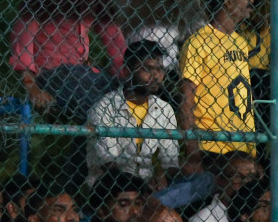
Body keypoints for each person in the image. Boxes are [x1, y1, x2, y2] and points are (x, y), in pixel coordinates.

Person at [10, 0, 125, 120]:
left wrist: (126, 73)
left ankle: (88, 149)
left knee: (123, 98)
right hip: (52, 71)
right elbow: (24, 31)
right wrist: (31, 84)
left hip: (84, 72)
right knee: (99, 107)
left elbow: (112, 35)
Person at [88, 40, 207, 207]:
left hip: (153, 190)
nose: (157, 76)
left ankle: (155, 204)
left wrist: (162, 174)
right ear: (128, 71)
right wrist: (144, 186)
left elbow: (169, 161)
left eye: (160, 70)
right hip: (114, 190)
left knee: (206, 180)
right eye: (148, 69)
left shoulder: (163, 109)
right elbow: (111, 166)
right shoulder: (104, 108)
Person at [179, 0, 257, 172]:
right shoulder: (199, 42)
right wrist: (193, 152)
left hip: (243, 145)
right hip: (213, 148)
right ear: (227, 1)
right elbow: (187, 97)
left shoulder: (240, 42)